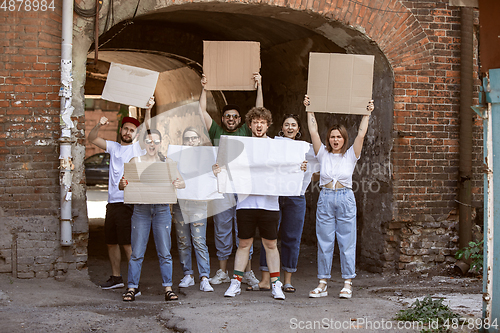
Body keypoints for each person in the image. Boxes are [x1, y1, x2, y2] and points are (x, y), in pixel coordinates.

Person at [216, 107, 307, 300]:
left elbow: (287, 166)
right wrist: (219, 169)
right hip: (245, 203)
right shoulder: (240, 145)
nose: (259, 125)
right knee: (244, 243)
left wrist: (299, 167)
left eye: (262, 122)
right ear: (249, 125)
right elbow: (227, 166)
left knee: (271, 244)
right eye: (255, 122)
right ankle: (235, 283)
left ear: (268, 125)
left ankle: (276, 285)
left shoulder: (276, 146)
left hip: (269, 204)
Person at [305, 95, 374, 299]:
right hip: (326, 198)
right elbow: (313, 131)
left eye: (339, 137)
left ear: (344, 139)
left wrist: (367, 113)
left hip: (345, 198)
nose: (335, 140)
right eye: (332, 137)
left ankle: (347, 283)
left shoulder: (351, 155)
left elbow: (361, 134)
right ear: (329, 139)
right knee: (324, 241)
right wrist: (310, 109)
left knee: (347, 241)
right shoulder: (322, 154)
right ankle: (323, 282)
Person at [198, 74, 261, 289]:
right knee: (222, 229)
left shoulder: (246, 131)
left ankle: (248, 272)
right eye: (228, 116)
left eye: (235, 116)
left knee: (244, 230)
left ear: (241, 120)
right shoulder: (216, 130)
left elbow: (259, 111)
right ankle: (223, 272)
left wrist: (259, 86)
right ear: (223, 119)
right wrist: (204, 88)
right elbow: (201, 112)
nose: (231, 119)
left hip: (243, 187)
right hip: (223, 187)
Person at [87, 99, 153, 290]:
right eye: (125, 129)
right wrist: (99, 124)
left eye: (132, 130)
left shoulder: (138, 148)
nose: (127, 132)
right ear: (121, 130)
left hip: (128, 203)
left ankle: (134, 283)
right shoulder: (114, 147)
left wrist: (148, 110)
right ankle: (116, 278)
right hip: (112, 203)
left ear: (135, 133)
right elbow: (92, 139)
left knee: (127, 244)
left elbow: (147, 129)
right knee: (111, 242)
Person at [120, 129, 185, 302]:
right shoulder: (136, 161)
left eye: (156, 141)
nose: (152, 145)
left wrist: (179, 182)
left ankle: (168, 288)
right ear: (144, 144)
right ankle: (132, 287)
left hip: (162, 210)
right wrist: (122, 183)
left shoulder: (167, 162)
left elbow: (182, 182)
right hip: (141, 210)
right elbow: (123, 185)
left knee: (164, 251)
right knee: (137, 252)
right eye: (149, 141)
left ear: (160, 143)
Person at [255, 114, 306, 293]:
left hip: (296, 195)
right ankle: (265, 280)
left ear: (299, 129)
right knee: (269, 237)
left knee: (292, 237)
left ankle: (288, 280)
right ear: (281, 128)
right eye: (287, 125)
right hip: (274, 194)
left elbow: (316, 174)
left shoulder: (305, 149)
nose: (290, 128)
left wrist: (306, 169)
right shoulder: (272, 144)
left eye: (294, 125)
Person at [173, 127, 213, 292]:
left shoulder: (206, 158)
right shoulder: (176, 157)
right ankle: (188, 274)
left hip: (198, 203)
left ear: (199, 140)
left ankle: (204, 277)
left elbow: (212, 177)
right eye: (187, 139)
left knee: (199, 240)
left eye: (194, 138)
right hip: (180, 203)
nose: (190, 141)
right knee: (183, 240)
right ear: (183, 142)